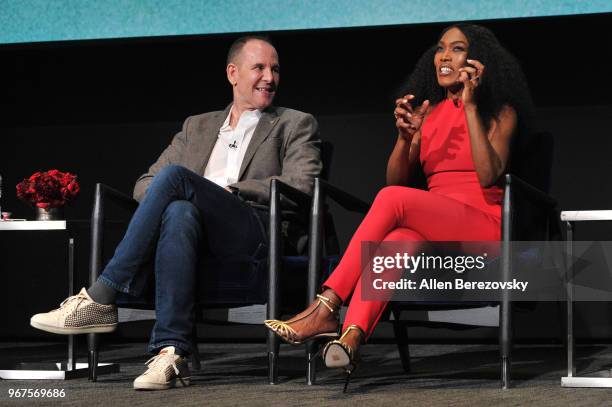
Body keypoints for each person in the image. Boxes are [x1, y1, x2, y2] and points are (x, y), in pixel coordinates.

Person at [30, 35, 322, 390]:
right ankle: (170, 352)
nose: (269, 77)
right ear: (233, 73)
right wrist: (189, 197)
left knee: (177, 183)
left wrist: (225, 192)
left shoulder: (295, 123)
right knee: (181, 210)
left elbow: (302, 184)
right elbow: (144, 184)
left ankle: (100, 296)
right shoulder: (197, 126)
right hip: (194, 234)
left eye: (275, 69)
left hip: (254, 229)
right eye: (259, 67)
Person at [265, 23, 534, 385]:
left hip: (484, 230)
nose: (444, 56)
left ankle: (326, 305)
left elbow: (488, 176)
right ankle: (351, 337)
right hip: (437, 230)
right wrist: (405, 138)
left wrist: (470, 106)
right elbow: (396, 183)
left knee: (394, 205)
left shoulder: (500, 113)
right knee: (398, 240)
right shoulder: (432, 114)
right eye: (441, 48)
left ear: (476, 61)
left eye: (456, 49)